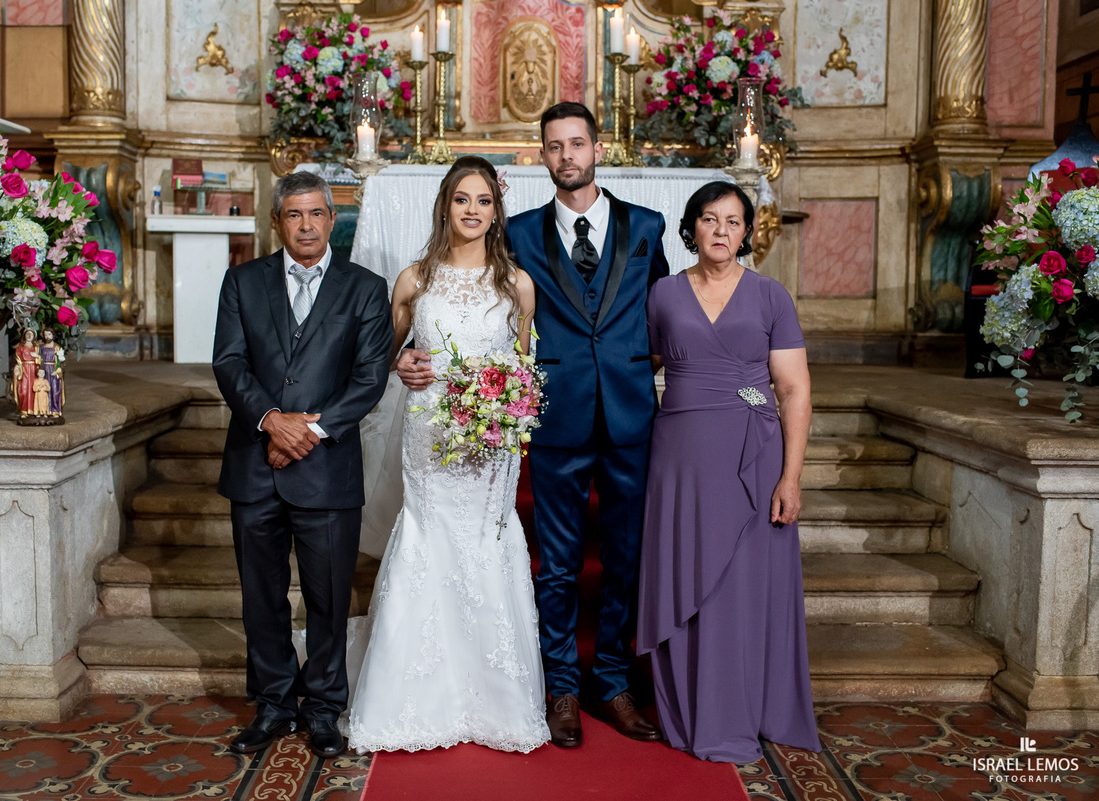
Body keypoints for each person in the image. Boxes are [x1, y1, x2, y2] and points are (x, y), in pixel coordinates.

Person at [401, 104, 668, 748]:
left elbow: (662, 313)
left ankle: (613, 683)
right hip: (554, 416)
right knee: (558, 563)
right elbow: (480, 302)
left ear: (598, 148)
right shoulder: (518, 233)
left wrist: (646, 367)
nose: (567, 155)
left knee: (624, 559)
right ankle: (562, 689)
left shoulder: (646, 226)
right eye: (554, 146)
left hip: (630, 415)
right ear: (542, 155)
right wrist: (409, 355)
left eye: (577, 143)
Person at [349, 156, 549, 754]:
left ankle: (495, 699)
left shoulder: (516, 284)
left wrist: (508, 408)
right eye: (462, 199)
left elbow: (524, 368)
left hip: (490, 442)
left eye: (484, 200)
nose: (472, 210)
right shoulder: (414, 280)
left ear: (497, 210)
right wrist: (401, 361)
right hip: (430, 433)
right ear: (445, 205)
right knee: (429, 536)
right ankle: (412, 695)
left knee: (486, 541)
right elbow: (380, 356)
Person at [637, 181, 820, 763]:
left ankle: (744, 708)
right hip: (681, 457)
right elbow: (639, 363)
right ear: (691, 227)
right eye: (710, 219)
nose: (721, 230)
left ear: (747, 233)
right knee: (687, 572)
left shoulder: (770, 295)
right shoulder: (662, 294)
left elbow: (793, 390)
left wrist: (791, 477)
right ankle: (693, 706)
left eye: (734, 221)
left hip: (752, 455)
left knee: (743, 585)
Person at [212, 171, 392, 758]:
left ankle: (322, 707)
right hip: (254, 465)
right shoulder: (242, 282)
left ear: (333, 219)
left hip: (327, 469)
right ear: (277, 222)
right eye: (295, 214)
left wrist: (305, 432)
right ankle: (273, 704)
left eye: (317, 213)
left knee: (329, 599)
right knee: (260, 596)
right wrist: (271, 420)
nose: (307, 225)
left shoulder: (365, 289)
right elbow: (229, 363)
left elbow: (370, 377)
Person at [12, 328, 38, 417]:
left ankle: (34, 410)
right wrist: (18, 368)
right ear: (24, 336)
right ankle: (24, 410)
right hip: (24, 370)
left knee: (34, 390)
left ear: (34, 336)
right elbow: (18, 359)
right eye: (27, 334)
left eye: (31, 334)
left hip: (34, 370)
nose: (29, 336)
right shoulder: (20, 347)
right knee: (23, 390)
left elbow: (41, 360)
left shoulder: (36, 347)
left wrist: (37, 357)